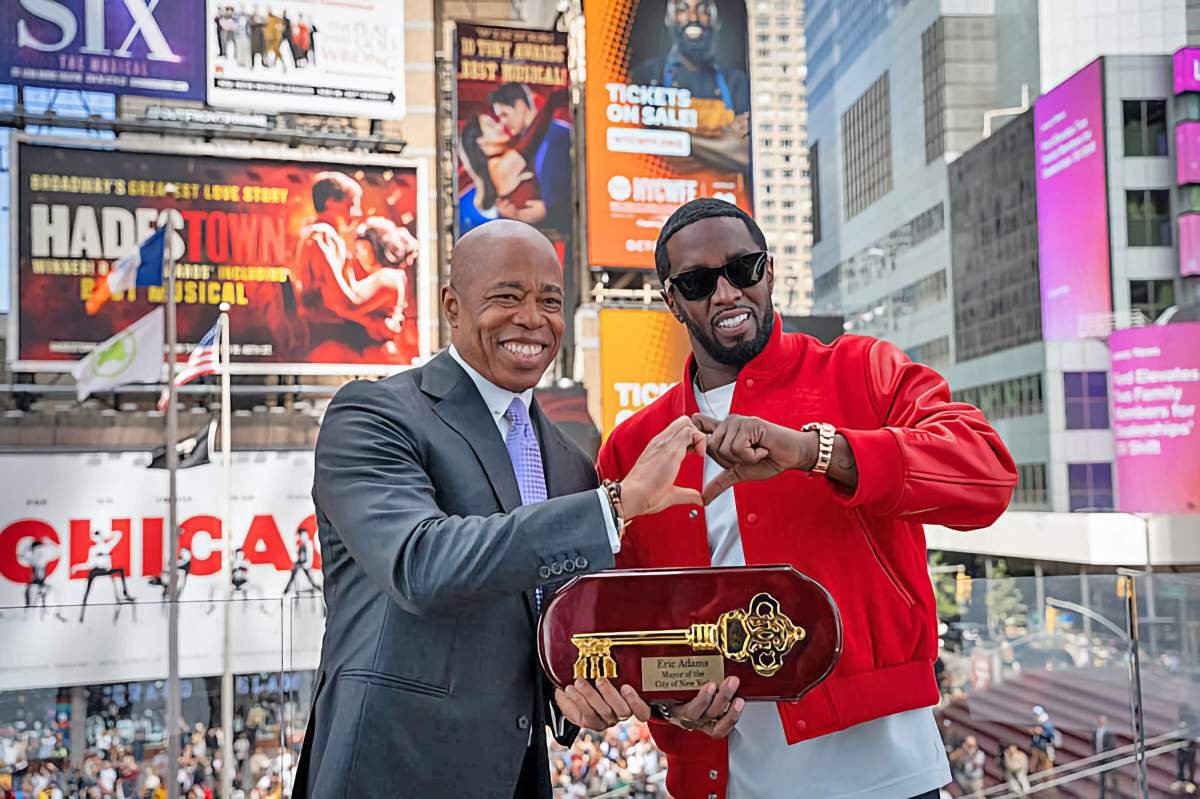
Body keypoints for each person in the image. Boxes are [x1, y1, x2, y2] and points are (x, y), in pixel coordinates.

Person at [596, 198, 1017, 798]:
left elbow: (988, 473)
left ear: (769, 271)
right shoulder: (635, 445)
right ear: (672, 300)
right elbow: (630, 625)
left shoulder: (862, 370)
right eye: (696, 282)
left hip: (888, 772)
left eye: (742, 269)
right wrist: (669, 709)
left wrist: (816, 453)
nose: (725, 294)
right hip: (717, 778)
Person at [294, 220, 708, 797]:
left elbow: (563, 634)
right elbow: (421, 562)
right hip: (389, 769)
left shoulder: (568, 462)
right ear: (452, 307)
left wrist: (643, 695)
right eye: (507, 297)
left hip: (516, 776)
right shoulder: (373, 416)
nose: (533, 319)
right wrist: (617, 503)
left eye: (550, 301)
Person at [629, 0, 750, 174]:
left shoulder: (736, 82)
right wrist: (720, 140)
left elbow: (743, 154)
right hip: (661, 194)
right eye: (682, 9)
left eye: (703, 9)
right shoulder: (646, 76)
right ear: (668, 18)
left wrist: (668, 136)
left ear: (717, 20)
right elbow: (633, 143)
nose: (693, 17)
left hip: (724, 198)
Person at [489, 83, 573, 234]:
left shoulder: (558, 135)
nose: (502, 122)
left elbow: (581, 187)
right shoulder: (518, 144)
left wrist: (549, 211)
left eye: (504, 114)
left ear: (520, 106)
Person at [1030, 705, 1059, 775]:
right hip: (1038, 746)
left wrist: (1041, 732)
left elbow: (1049, 734)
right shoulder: (1038, 722)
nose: (1035, 717)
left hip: (1046, 746)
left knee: (1047, 766)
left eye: (1036, 715)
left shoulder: (1046, 724)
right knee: (1035, 764)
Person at [1093, 714, 1116, 798]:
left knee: (1112, 778)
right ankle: (1102, 796)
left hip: (1108, 758)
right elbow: (1094, 744)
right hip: (1099, 758)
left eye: (1103, 720)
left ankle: (1114, 795)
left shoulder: (1109, 733)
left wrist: (1104, 752)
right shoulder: (1096, 732)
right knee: (1102, 779)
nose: (1101, 722)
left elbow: (1111, 745)